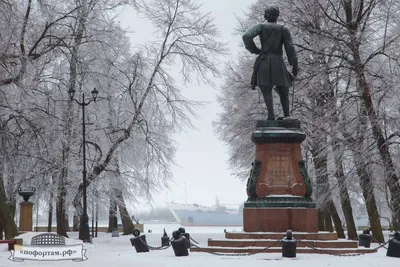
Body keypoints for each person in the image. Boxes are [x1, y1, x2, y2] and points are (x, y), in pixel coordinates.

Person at [242, 6, 298, 120]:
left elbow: (246, 36)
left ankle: (271, 116)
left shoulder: (261, 27)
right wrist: (294, 64)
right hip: (278, 61)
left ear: (266, 15)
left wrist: (255, 50)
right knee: (284, 89)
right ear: (277, 15)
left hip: (265, 61)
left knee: (266, 90)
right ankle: (287, 115)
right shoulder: (283, 29)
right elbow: (290, 48)